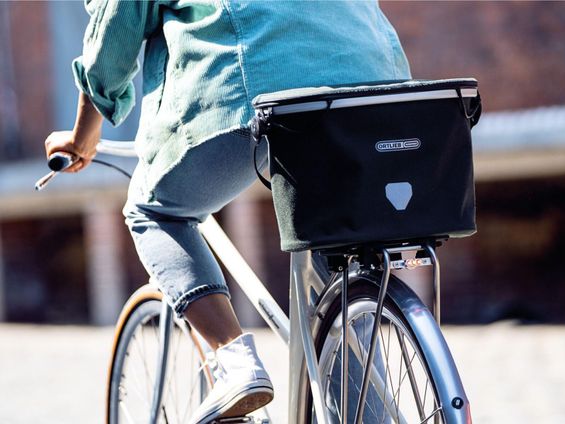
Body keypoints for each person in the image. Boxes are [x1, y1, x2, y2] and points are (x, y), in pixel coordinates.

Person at [44, 1, 411, 422]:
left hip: (253, 89)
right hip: (376, 96)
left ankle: (234, 363)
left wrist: (83, 135)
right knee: (339, 281)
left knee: (155, 212)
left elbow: (117, 23)